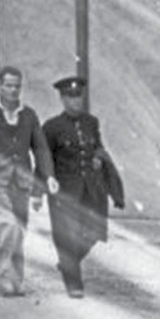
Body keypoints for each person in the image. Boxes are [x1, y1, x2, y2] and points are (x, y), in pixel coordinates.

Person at [0, 65, 58, 297]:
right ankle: (6, 276)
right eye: (8, 85)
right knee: (8, 225)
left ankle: (13, 276)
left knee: (18, 230)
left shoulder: (29, 115)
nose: (13, 90)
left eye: (17, 86)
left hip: (22, 181)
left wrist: (48, 177)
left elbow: (40, 148)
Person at [43, 75, 124, 299]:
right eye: (70, 97)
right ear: (62, 99)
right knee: (67, 236)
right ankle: (73, 283)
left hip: (90, 188)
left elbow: (97, 146)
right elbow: (44, 158)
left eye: (78, 96)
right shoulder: (51, 127)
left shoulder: (91, 122)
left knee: (95, 232)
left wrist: (98, 157)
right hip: (64, 191)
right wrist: (40, 188)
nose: (75, 102)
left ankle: (68, 263)